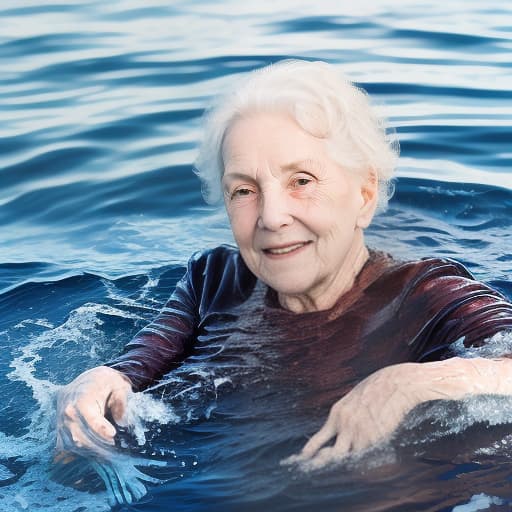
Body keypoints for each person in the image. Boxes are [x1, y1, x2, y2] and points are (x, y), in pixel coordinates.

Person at [56, 59, 512, 470]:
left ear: (365, 195)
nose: (272, 217)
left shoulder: (427, 293)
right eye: (243, 190)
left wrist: (408, 383)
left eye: (301, 181)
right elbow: (141, 362)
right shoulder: (214, 279)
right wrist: (99, 381)